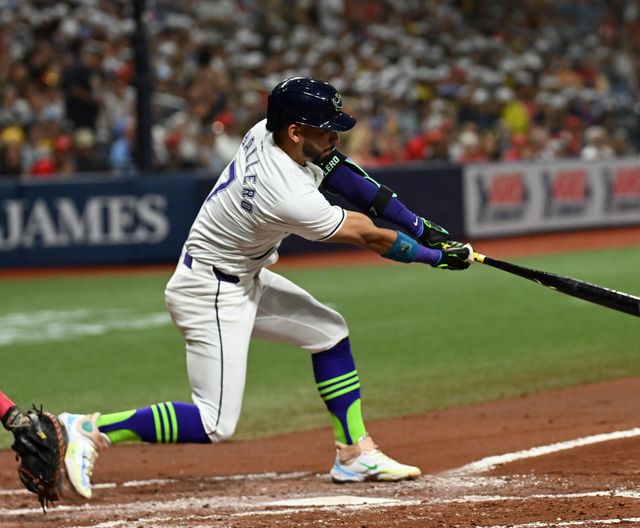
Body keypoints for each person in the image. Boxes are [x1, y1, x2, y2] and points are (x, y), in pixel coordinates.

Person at [57, 77, 473, 498]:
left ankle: (353, 456)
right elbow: (368, 234)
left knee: (329, 333)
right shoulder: (286, 192)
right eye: (325, 128)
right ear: (295, 131)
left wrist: (417, 224)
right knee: (213, 422)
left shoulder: (267, 131)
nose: (335, 135)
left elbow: (342, 174)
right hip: (210, 292)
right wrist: (435, 256)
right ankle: (90, 429)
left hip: (242, 276)